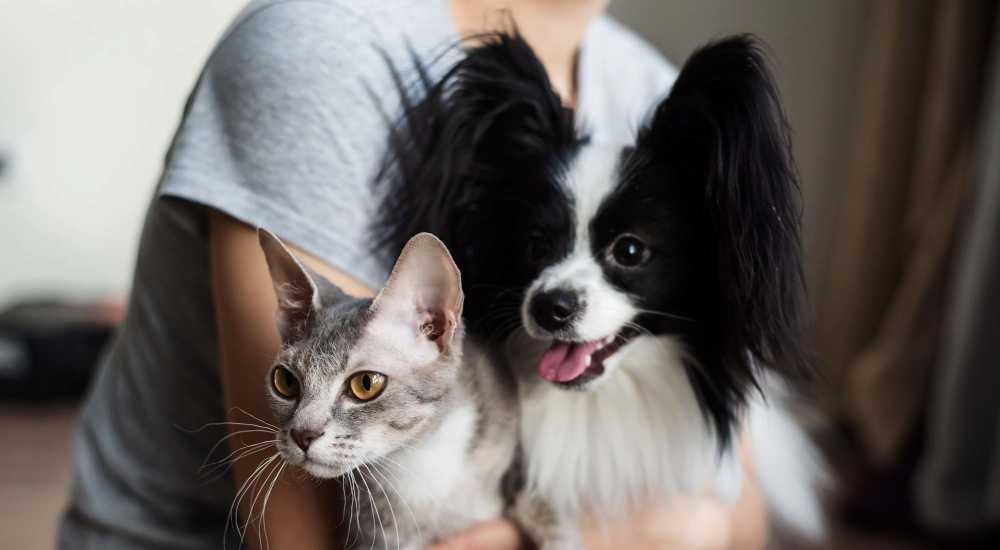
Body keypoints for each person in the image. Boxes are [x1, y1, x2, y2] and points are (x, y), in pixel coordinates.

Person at [59, 1, 768, 548]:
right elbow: (313, 537)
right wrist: (632, 533)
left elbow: (740, 514)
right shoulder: (325, 49)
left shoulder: (647, 85)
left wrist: (696, 522)